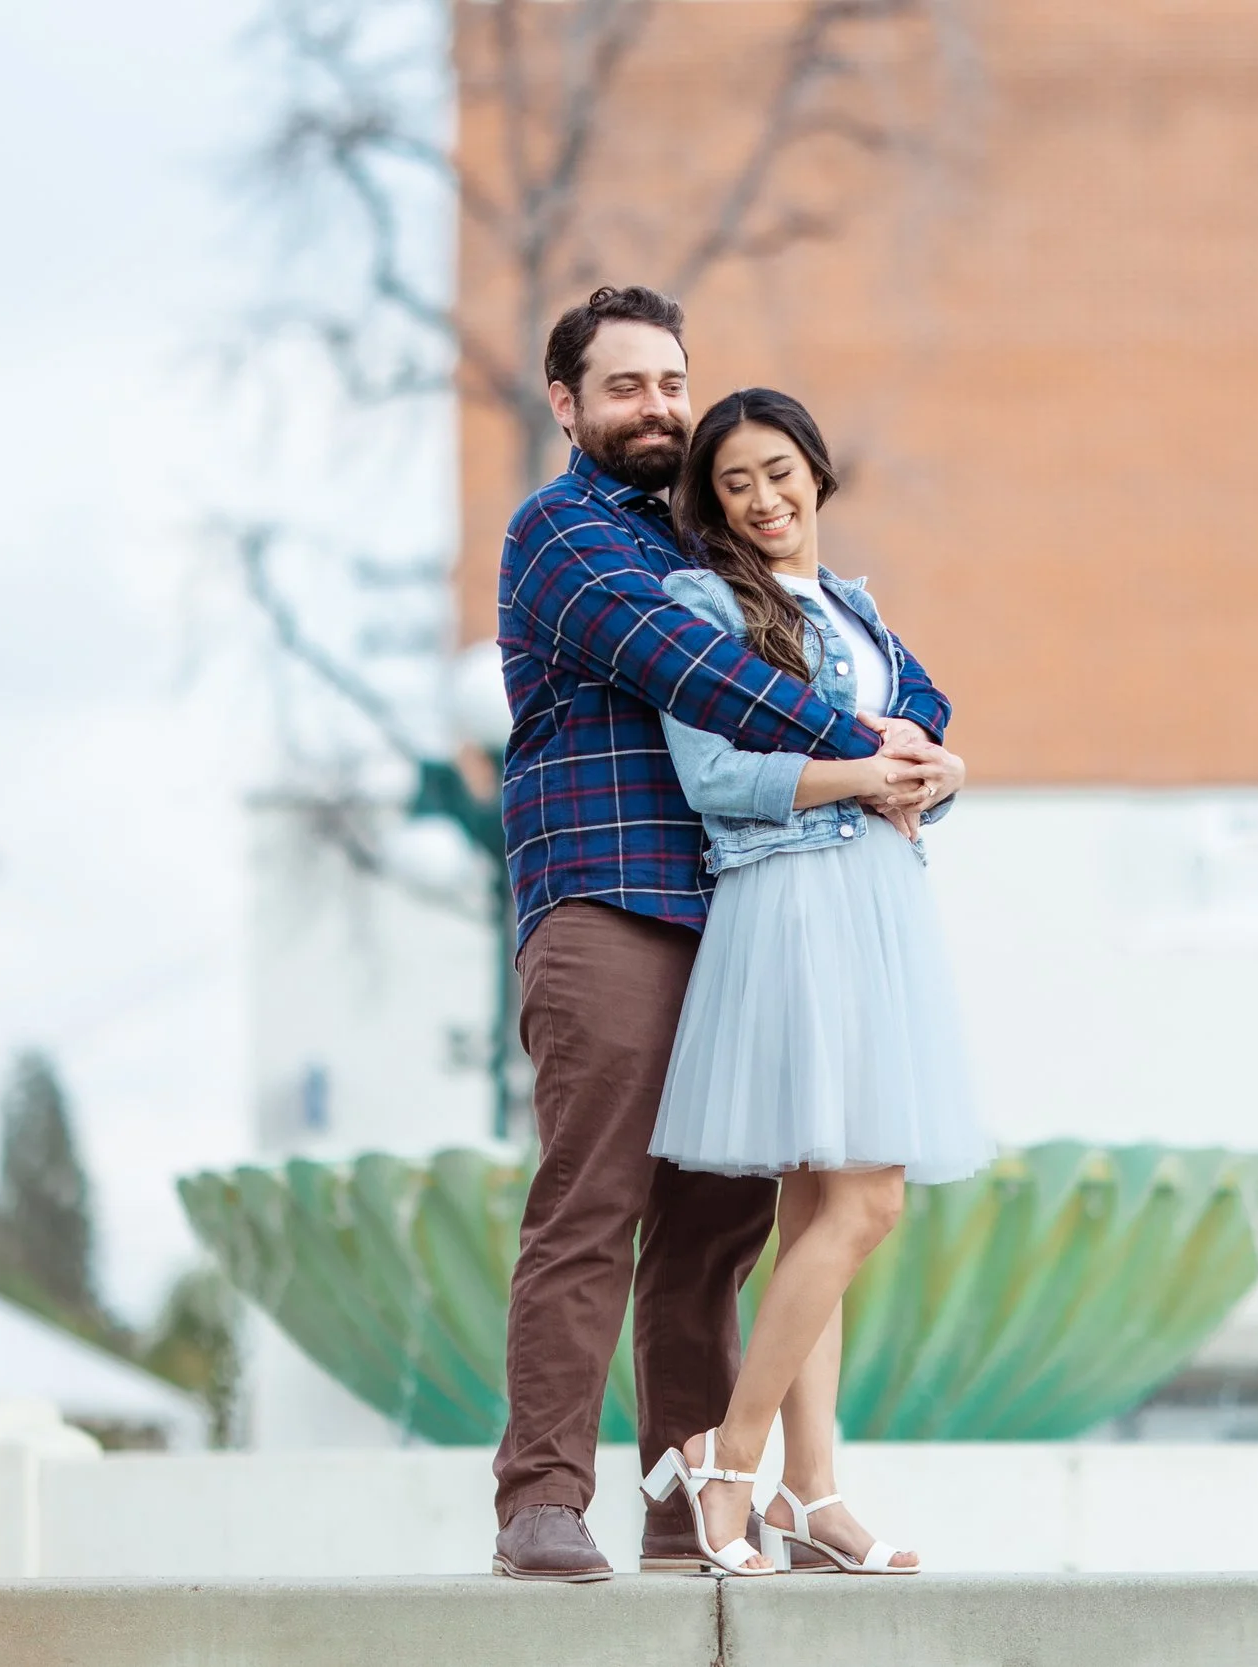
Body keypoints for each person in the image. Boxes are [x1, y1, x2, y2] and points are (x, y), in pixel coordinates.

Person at [489, 288, 961, 1582]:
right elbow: (694, 675)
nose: (655, 405)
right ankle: (539, 1496)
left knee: (716, 1229)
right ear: (569, 403)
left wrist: (924, 743)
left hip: (743, 916)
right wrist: (872, 750)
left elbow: (873, 658)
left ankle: (690, 1502)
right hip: (606, 899)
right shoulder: (563, 535)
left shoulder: (715, 544)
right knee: (594, 1201)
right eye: (625, 384)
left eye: (670, 381)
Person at [638, 388, 988, 1577]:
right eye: (735, 482)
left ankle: (812, 1490)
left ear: (816, 471)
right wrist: (863, 773)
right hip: (790, 903)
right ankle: (725, 1459)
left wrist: (937, 772)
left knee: (819, 1214)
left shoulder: (855, 606)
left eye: (779, 470)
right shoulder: (700, 601)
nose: (764, 498)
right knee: (868, 1202)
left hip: (876, 900)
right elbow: (715, 773)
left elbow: (924, 746)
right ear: (713, 503)